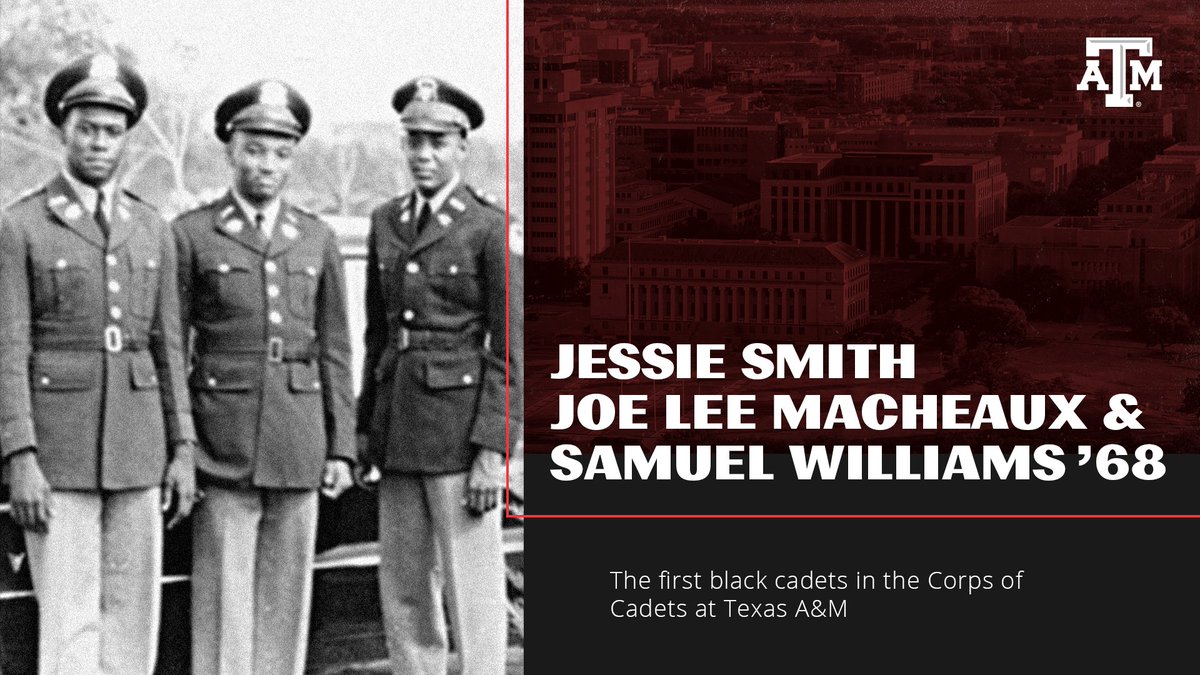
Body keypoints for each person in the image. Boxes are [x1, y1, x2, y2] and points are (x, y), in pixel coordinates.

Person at [0, 53, 198, 674]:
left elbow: (170, 347)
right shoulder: (21, 225)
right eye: (87, 128)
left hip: (140, 446)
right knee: (68, 620)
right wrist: (20, 457)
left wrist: (183, 447)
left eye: (111, 131)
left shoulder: (150, 227)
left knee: (134, 619)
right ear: (64, 130)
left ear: (127, 137)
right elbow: (9, 348)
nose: (98, 143)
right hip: (59, 451)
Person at [172, 79, 355, 674]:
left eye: (280, 152)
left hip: (300, 437)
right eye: (254, 149)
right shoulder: (193, 233)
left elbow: (335, 348)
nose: (267, 165)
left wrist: (342, 447)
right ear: (230, 150)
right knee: (223, 601)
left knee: (286, 601)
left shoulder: (316, 235)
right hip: (221, 438)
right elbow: (174, 347)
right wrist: (182, 443)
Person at [356, 75, 523, 675]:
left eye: (438, 141)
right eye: (414, 141)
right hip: (399, 430)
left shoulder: (488, 226)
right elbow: (379, 337)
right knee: (402, 586)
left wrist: (492, 452)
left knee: (472, 589)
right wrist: (365, 430)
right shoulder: (385, 221)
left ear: (462, 147)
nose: (423, 154)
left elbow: (510, 348)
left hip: (459, 435)